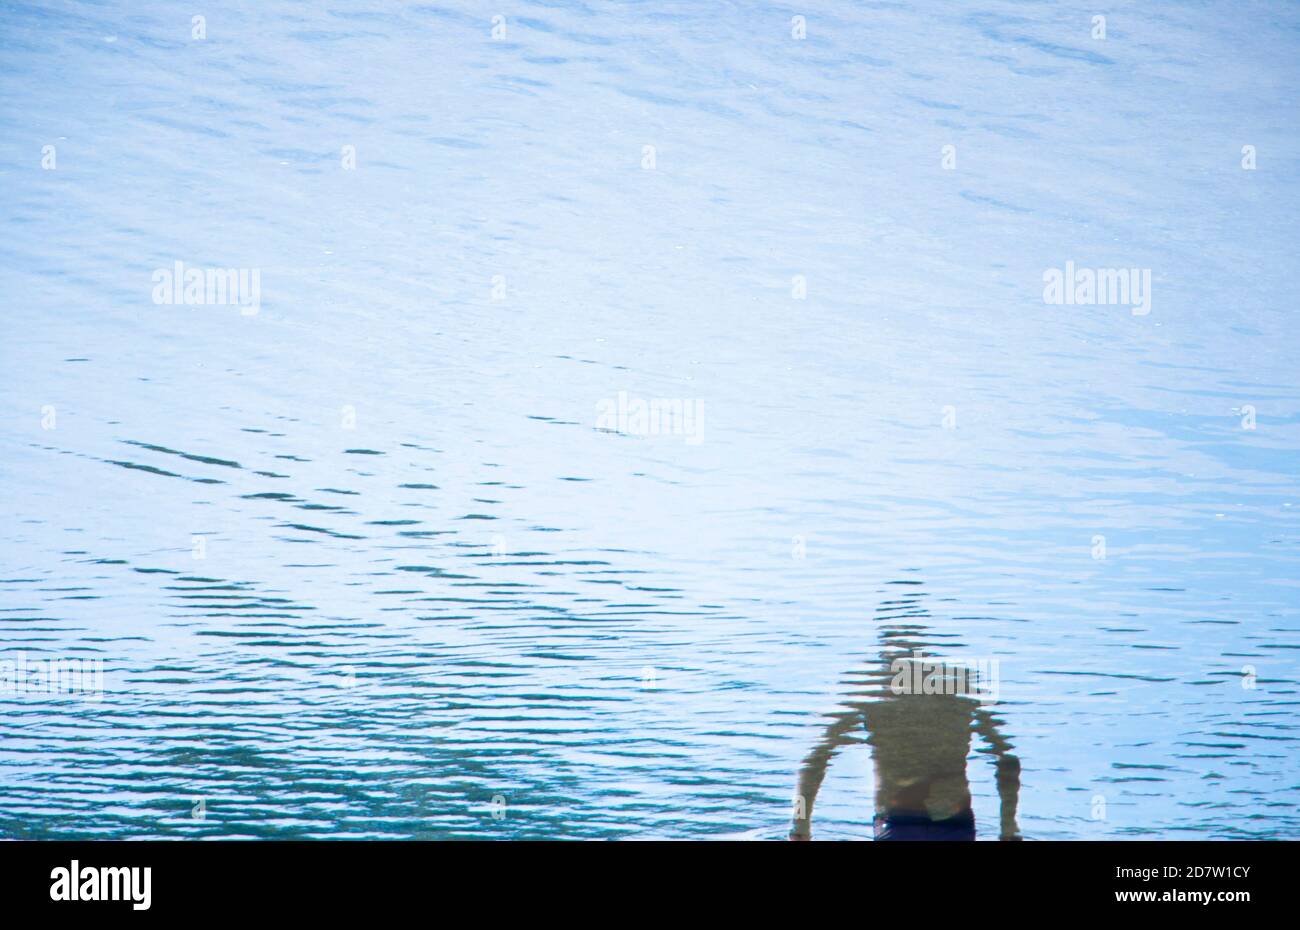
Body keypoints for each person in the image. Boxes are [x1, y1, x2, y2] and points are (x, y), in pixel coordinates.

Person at [790, 588, 1021, 841]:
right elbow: (1007, 760)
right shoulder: (959, 697)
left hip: (898, 824)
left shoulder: (868, 699)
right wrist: (1009, 827)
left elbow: (814, 762)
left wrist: (800, 826)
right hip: (954, 822)